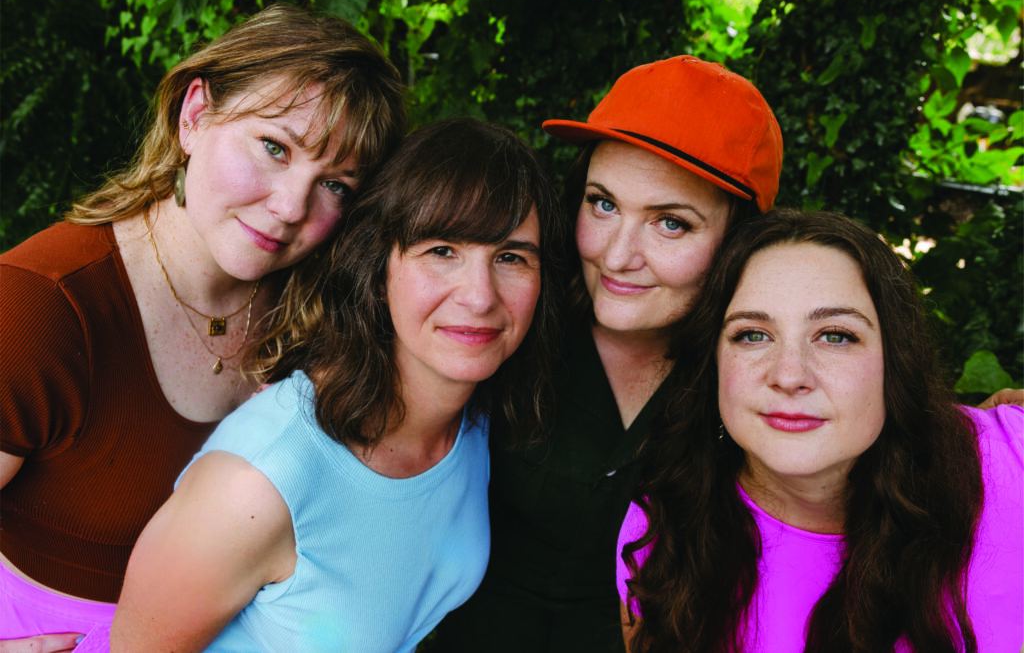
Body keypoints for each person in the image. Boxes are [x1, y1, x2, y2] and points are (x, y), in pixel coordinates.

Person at [0, 3, 406, 650]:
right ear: (195, 114)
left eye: (336, 185)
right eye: (274, 147)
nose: (291, 206)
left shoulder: (321, 328)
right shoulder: (42, 305)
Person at [108, 117, 568, 652]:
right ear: (378, 270)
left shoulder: (473, 422)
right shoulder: (258, 483)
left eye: (511, 257)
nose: (480, 296)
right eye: (442, 251)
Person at [434, 55, 782, 651]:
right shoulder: (502, 320)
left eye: (670, 223)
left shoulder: (761, 379)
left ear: (739, 241)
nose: (619, 256)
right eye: (603, 203)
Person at [616, 209, 1023, 652]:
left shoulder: (1012, 456)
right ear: (713, 366)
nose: (789, 375)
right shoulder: (663, 534)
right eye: (752, 335)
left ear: (894, 362)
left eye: (835, 335)